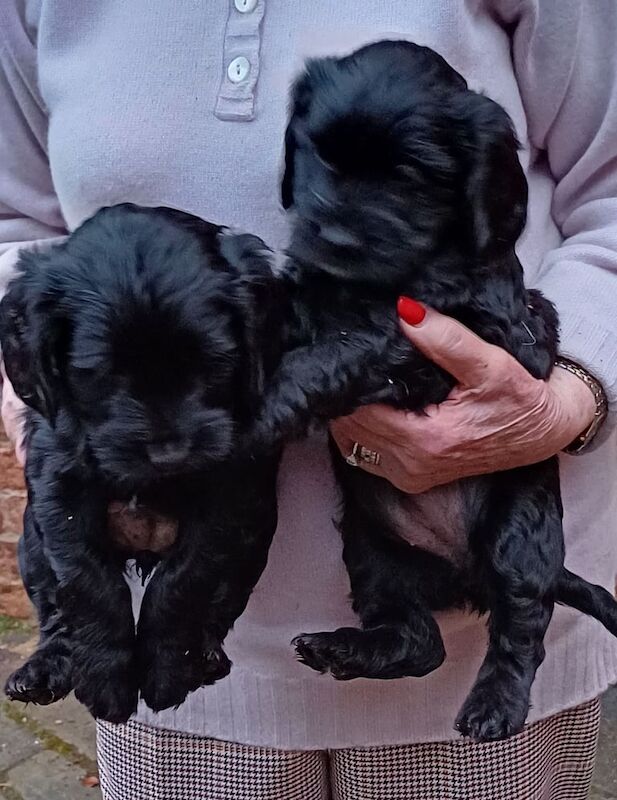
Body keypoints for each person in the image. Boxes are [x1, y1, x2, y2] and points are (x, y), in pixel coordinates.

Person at [1, 2, 616, 798]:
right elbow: (15, 224)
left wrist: (571, 393)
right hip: (173, 651)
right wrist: (43, 421)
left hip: (471, 638)